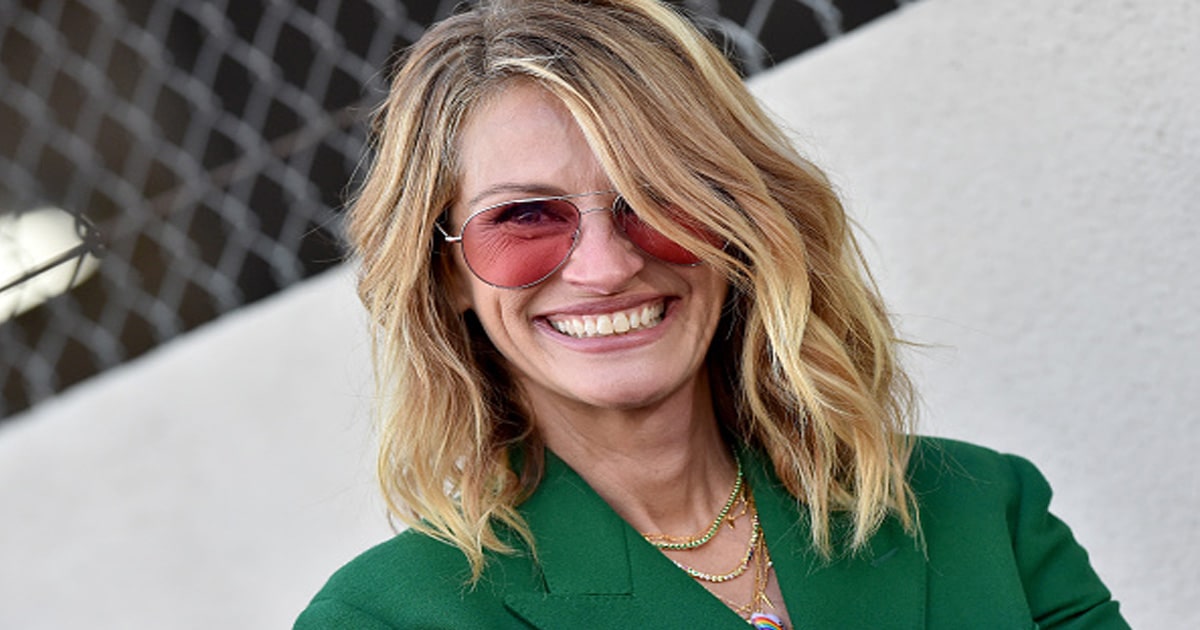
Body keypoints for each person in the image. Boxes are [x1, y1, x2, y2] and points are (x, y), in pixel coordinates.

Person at [295, 1, 1128, 627]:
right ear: (445, 276)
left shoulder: (984, 513)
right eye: (524, 218)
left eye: (660, 200)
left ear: (739, 228)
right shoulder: (389, 618)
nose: (608, 265)